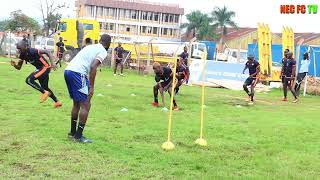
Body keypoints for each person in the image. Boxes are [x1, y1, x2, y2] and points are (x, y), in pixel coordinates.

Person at [64, 34, 111, 143]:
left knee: (76, 103)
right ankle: (78, 136)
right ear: (108, 43)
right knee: (86, 104)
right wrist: (91, 87)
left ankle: (72, 133)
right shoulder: (103, 51)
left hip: (68, 71)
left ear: (100, 40)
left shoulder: (91, 47)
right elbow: (93, 66)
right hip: (77, 73)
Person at [10, 41, 61, 108]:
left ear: (25, 47)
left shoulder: (32, 51)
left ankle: (45, 93)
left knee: (29, 80)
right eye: (18, 49)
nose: (18, 50)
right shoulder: (22, 55)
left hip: (45, 68)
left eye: (20, 48)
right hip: (40, 69)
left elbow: (47, 51)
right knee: (45, 87)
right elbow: (19, 67)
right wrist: (14, 65)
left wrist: (53, 63)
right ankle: (57, 102)